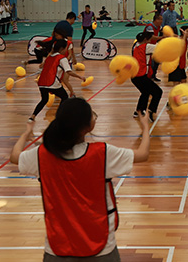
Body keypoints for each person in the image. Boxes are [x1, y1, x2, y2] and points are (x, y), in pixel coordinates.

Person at [11, 98, 152, 262]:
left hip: (57, 248)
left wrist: (25, 134)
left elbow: (15, 157)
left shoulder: (42, 154)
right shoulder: (102, 153)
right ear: (89, 126)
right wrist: (145, 127)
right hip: (101, 248)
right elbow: (143, 154)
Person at [33, 39, 84, 120]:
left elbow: (43, 69)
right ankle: (58, 115)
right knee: (64, 97)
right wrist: (80, 77)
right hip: (52, 82)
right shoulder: (62, 59)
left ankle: (32, 117)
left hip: (42, 83)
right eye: (66, 48)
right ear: (62, 49)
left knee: (44, 100)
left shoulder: (49, 57)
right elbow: (69, 71)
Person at [132, 32, 163, 122]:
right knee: (158, 92)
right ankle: (150, 112)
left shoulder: (135, 46)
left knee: (145, 92)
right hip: (140, 76)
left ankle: (139, 111)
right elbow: (161, 48)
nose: (151, 40)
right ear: (146, 39)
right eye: (150, 39)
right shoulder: (146, 47)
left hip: (134, 76)